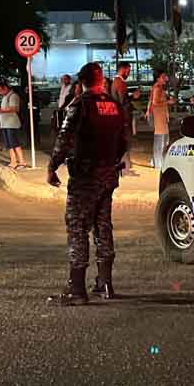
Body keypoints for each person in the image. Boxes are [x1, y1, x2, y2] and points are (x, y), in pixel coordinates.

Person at [47, 62, 128, 306]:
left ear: (81, 82)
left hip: (85, 176)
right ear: (101, 80)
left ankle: (77, 288)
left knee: (77, 226)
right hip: (108, 174)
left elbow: (64, 138)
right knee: (103, 225)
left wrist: (52, 166)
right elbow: (124, 140)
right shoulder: (113, 105)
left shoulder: (80, 105)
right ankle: (105, 283)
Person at [110, 62, 137, 176]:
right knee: (125, 143)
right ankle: (124, 169)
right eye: (129, 70)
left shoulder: (115, 82)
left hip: (119, 117)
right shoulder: (120, 83)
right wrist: (133, 97)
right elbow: (123, 102)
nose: (129, 73)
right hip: (123, 118)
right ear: (124, 69)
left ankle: (123, 168)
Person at [146, 70, 176, 169]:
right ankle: (157, 163)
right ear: (158, 78)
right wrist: (168, 102)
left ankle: (156, 161)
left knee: (164, 140)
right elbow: (155, 103)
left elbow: (152, 102)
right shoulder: (157, 88)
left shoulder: (158, 87)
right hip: (158, 117)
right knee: (161, 141)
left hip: (160, 117)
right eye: (163, 77)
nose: (166, 79)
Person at [0, 81, 27, 169]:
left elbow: (15, 108)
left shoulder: (13, 96)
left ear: (5, 88)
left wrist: (0, 110)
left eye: (0, 90)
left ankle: (22, 162)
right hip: (5, 124)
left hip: (11, 124)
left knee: (14, 143)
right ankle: (13, 161)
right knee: (9, 144)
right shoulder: (5, 97)